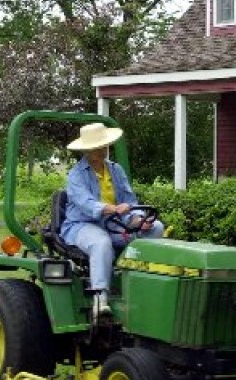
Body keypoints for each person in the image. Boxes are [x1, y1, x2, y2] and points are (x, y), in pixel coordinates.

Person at [60, 122, 164, 320]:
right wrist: (113, 209)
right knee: (101, 242)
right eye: (97, 147)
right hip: (82, 225)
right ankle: (101, 298)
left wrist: (137, 220)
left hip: (115, 224)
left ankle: (136, 282)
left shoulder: (116, 170)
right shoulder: (76, 175)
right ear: (86, 150)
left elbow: (129, 200)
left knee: (156, 228)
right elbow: (87, 204)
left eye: (104, 146)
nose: (102, 150)